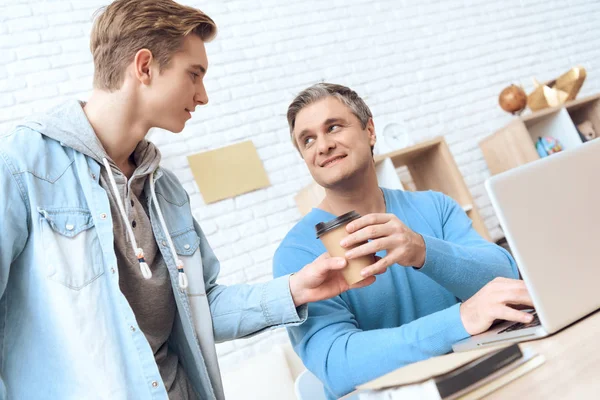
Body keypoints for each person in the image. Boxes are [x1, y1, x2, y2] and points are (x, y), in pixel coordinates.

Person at [0, 3, 374, 400]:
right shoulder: (24, 167)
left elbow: (199, 308)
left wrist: (296, 289)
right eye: (193, 75)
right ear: (144, 67)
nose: (203, 96)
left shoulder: (165, 190)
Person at [273, 83, 534, 399]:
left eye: (334, 127)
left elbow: (506, 280)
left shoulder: (434, 206)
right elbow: (337, 366)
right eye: (308, 139)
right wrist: (461, 319)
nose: (323, 145)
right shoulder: (296, 253)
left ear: (370, 130)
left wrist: (423, 250)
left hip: (483, 381)